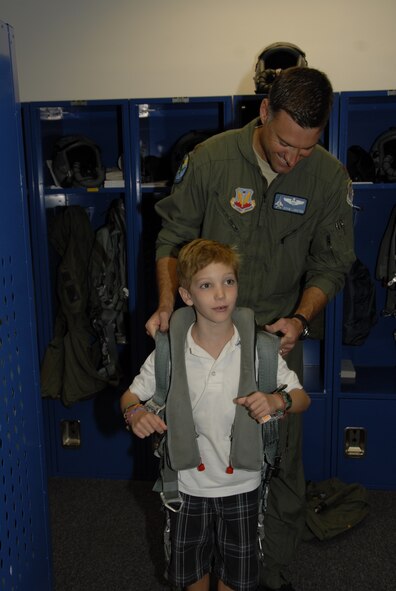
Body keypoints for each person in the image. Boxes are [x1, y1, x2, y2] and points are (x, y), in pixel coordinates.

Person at [144, 67, 356, 591]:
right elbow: (171, 239)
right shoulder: (212, 160)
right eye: (285, 144)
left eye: (306, 149)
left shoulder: (328, 177)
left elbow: (332, 263)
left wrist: (302, 319)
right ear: (264, 113)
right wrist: (170, 305)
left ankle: (268, 570)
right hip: (205, 337)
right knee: (200, 452)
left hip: (276, 340)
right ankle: (200, 564)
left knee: (280, 459)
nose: (292, 159)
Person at [121, 238, 311, 591]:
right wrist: (134, 413)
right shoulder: (170, 351)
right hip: (186, 487)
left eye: (228, 282)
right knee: (190, 572)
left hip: (243, 485)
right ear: (187, 296)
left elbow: (301, 398)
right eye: (207, 285)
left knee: (236, 577)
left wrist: (276, 402)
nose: (221, 294)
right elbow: (131, 395)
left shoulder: (260, 349)